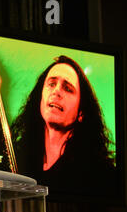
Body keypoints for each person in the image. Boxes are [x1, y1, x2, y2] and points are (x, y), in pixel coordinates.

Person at [11, 55, 115, 196]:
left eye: (67, 88)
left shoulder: (101, 174)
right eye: (52, 84)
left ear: (81, 113)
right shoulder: (16, 157)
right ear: (40, 98)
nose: (56, 91)